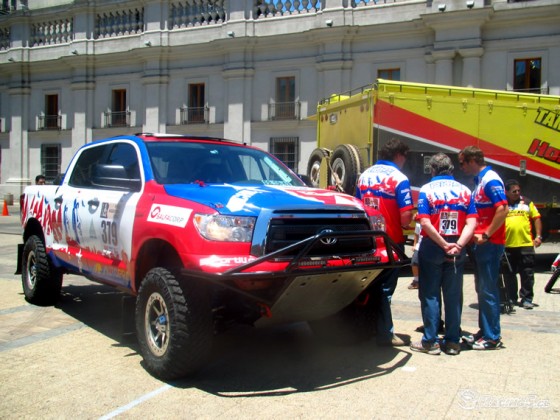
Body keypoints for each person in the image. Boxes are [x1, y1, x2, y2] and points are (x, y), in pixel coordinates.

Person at [410, 153, 477, 355]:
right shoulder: (465, 191)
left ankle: (430, 341)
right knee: (454, 295)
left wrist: (442, 244)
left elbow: (425, 222)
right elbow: (471, 223)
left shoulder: (427, 190)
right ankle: (453, 341)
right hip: (457, 246)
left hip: (432, 246)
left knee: (430, 294)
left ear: (432, 170)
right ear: (451, 169)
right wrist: (457, 245)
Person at [356, 138, 414, 346]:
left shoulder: (364, 175)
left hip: (366, 240)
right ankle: (384, 333)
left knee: (367, 287)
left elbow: (356, 205)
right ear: (399, 155)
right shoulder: (399, 178)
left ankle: (364, 329)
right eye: (405, 157)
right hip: (390, 241)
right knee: (385, 289)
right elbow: (406, 215)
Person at [459, 146, 508, 350]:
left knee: (488, 290)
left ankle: (492, 337)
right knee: (482, 289)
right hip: (482, 245)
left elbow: (503, 209)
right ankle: (485, 331)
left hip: (490, 244)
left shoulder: (490, 179)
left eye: (462, 162)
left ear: (472, 161)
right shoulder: (480, 181)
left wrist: (486, 234)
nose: (460, 167)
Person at [503, 179, 543, 309]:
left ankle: (527, 299)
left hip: (525, 244)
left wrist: (538, 236)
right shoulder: (502, 204)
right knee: (509, 274)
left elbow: (536, 218)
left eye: (519, 190)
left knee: (527, 273)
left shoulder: (527, 202)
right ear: (506, 192)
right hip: (507, 245)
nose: (517, 193)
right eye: (514, 191)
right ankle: (511, 299)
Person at [408, 219, 421, 290]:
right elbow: (416, 234)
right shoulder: (418, 223)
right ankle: (416, 280)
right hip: (419, 245)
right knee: (414, 262)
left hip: (428, 245)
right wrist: (414, 244)